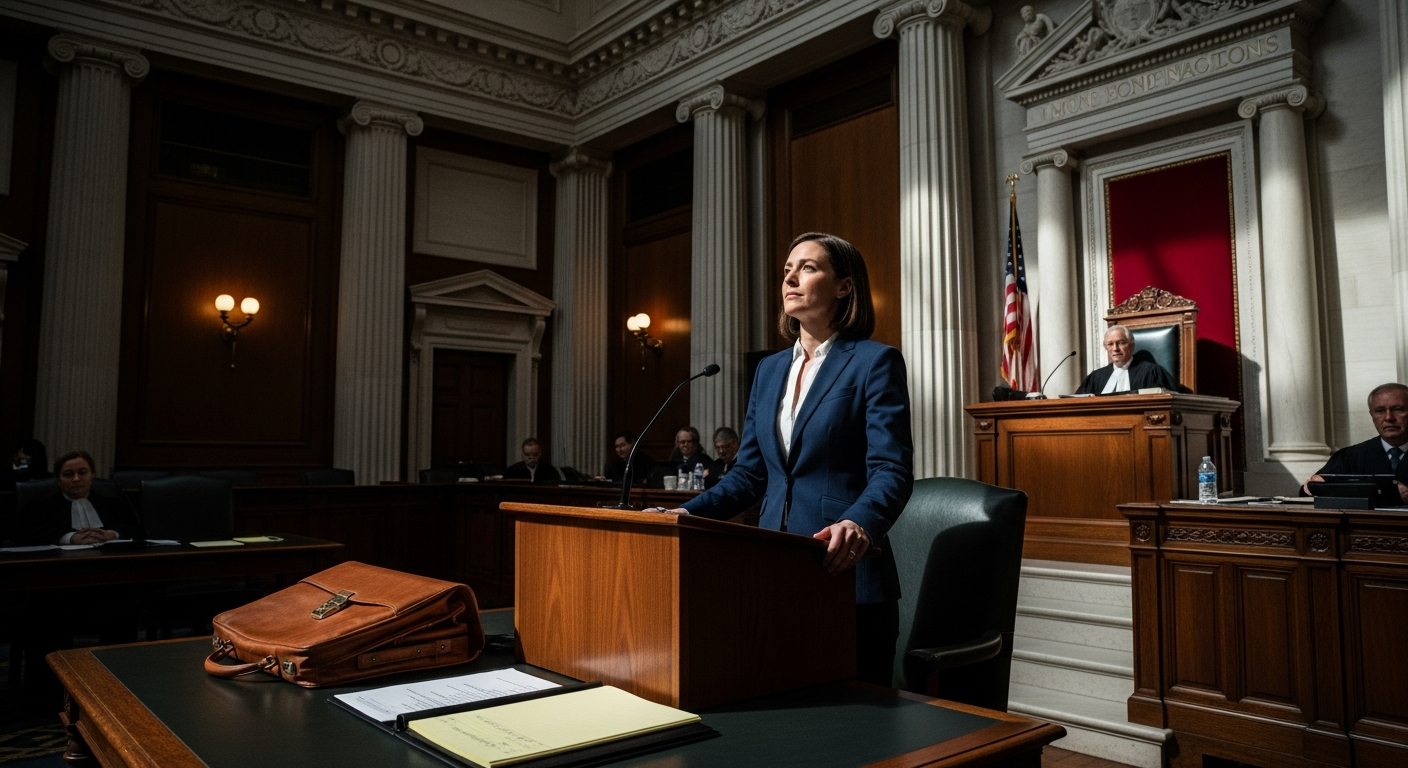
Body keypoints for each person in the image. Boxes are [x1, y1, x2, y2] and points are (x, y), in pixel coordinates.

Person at [655, 232, 913, 687]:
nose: (791, 277)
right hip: (769, 576)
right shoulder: (769, 370)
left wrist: (860, 522)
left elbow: (891, 469)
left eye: (808, 267)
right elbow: (750, 475)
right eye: (787, 270)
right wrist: (684, 513)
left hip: (843, 575)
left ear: (844, 287)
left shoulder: (874, 362)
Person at [1301, 383, 1408, 503]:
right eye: (1380, 411)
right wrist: (1315, 485)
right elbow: (1307, 492)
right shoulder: (1350, 456)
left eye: (1398, 409)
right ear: (1372, 415)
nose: (1388, 417)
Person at [17, 450, 138, 545]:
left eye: (82, 472)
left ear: (92, 475)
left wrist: (112, 534)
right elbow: (29, 536)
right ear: (58, 480)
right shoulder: (39, 508)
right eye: (68, 474)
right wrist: (70, 538)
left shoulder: (113, 504)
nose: (76, 479)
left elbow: (136, 530)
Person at [1074, 325, 1178, 395]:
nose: (1115, 348)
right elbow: (1076, 402)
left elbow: (1173, 397)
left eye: (1121, 342)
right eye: (1110, 344)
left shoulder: (1151, 372)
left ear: (1132, 345)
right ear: (1106, 347)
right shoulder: (1096, 377)